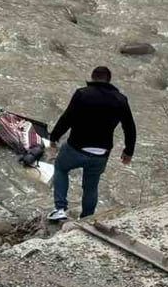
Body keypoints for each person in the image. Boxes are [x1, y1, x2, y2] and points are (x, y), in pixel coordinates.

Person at [47, 66, 136, 221]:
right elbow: (129, 127)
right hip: (101, 153)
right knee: (91, 186)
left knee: (61, 168)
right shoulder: (121, 99)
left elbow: (66, 118)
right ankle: (87, 219)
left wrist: (54, 138)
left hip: (76, 147)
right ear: (109, 80)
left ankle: (60, 209)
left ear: (93, 77)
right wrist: (128, 151)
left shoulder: (82, 94)